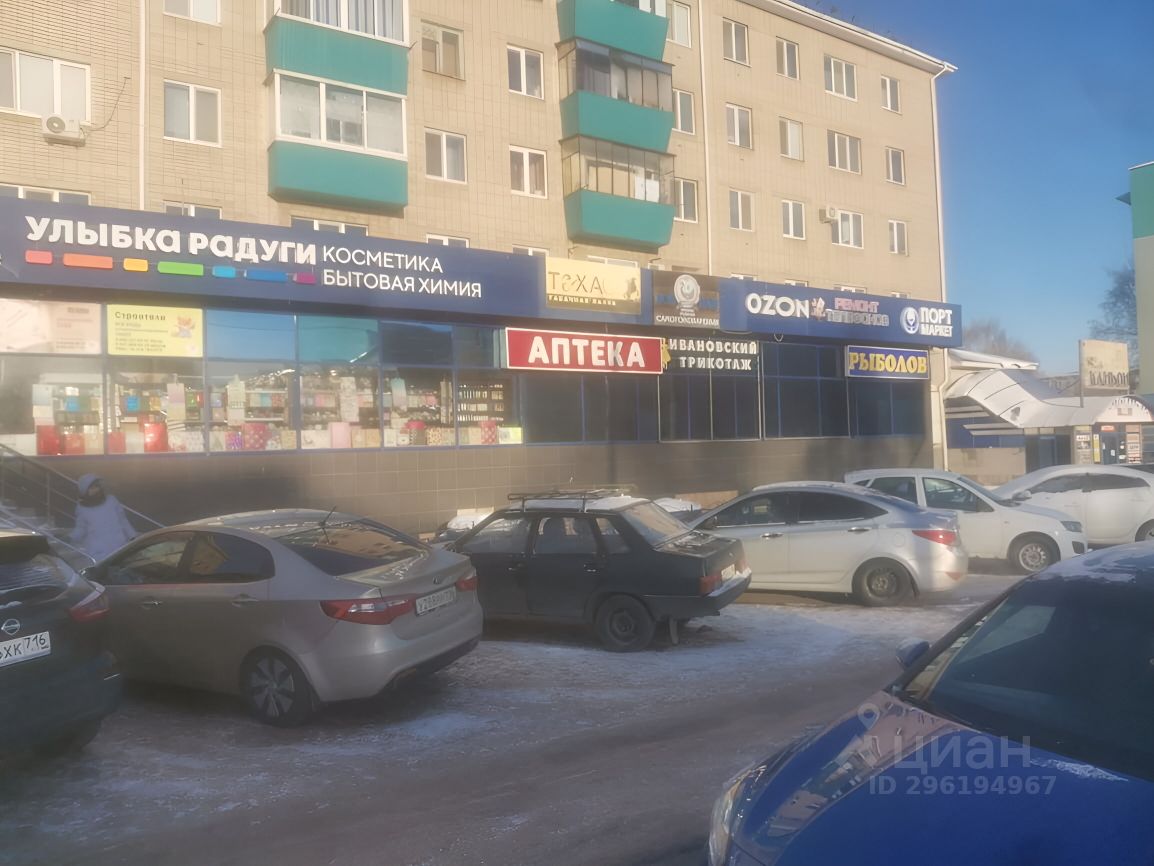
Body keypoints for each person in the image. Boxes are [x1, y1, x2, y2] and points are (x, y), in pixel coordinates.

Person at [71, 474, 137, 562]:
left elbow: (123, 520)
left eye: (97, 486)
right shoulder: (82, 508)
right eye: (91, 488)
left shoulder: (112, 500)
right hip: (98, 552)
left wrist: (132, 536)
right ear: (85, 491)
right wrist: (70, 538)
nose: (95, 490)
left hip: (119, 547)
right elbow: (81, 528)